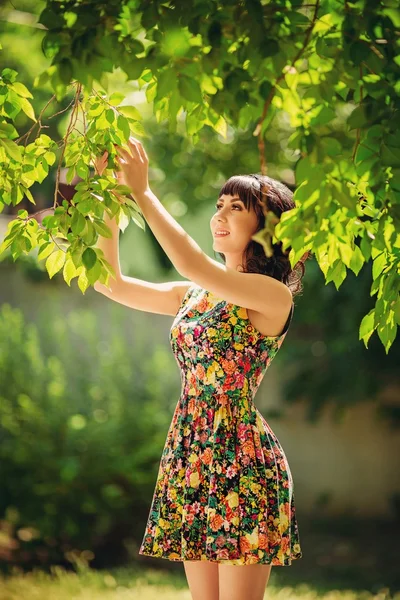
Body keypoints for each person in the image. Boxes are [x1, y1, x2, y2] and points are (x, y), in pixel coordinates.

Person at [93, 138, 306, 600]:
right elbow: (108, 281)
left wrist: (144, 193)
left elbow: (189, 260)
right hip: (191, 454)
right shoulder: (194, 294)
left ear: (267, 228)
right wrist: (110, 195)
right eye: (219, 205)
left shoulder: (272, 296)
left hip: (243, 461)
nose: (220, 215)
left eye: (236, 207)